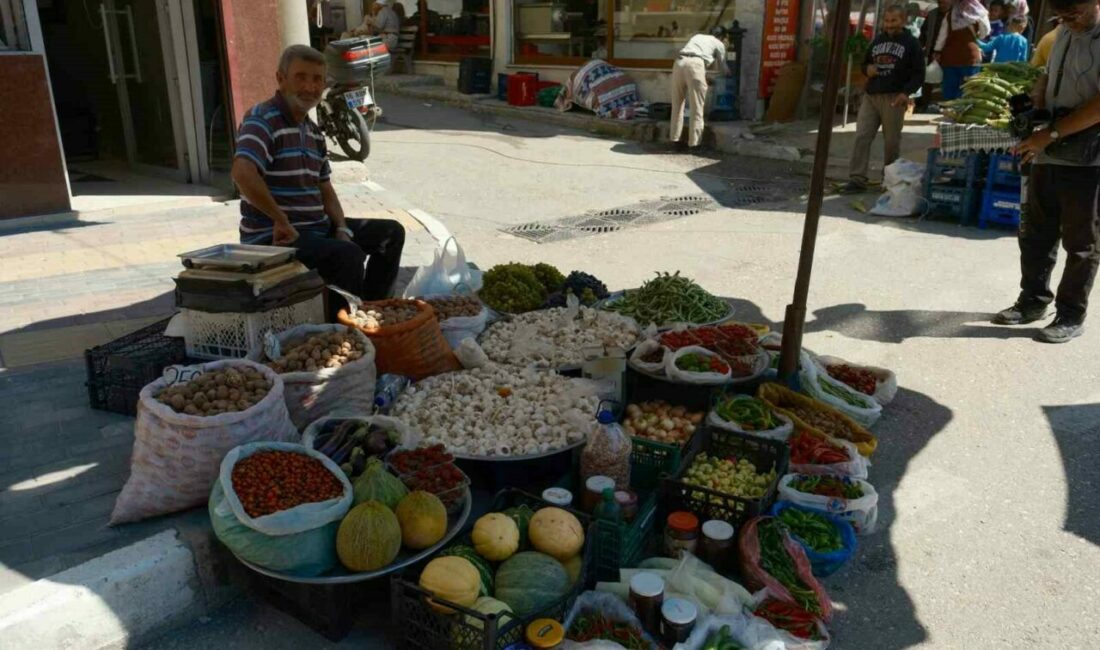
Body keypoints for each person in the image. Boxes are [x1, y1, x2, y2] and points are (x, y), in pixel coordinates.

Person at [231, 45, 406, 315]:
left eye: (317, 79)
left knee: (391, 233)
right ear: (281, 79)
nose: (310, 87)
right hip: (275, 237)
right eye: (300, 77)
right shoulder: (262, 120)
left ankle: (374, 311)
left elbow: (325, 188)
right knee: (346, 257)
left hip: (315, 229)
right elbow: (243, 173)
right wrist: (280, 219)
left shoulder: (312, 131)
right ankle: (341, 326)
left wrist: (342, 228)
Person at [997, 0, 1100, 343]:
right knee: (1036, 233)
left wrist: (1051, 134)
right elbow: (1049, 72)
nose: (1068, 21)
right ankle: (1033, 300)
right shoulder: (1063, 33)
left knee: (1081, 242)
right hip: (1049, 148)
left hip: (1088, 156)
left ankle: (1071, 314)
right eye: (1062, 16)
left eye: (1074, 13)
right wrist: (1038, 93)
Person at [840, 5, 925, 194]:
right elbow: (865, 64)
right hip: (872, 95)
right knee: (862, 136)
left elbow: (919, 73)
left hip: (894, 97)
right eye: (886, 21)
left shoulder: (911, 44)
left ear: (903, 20)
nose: (889, 25)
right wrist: (867, 69)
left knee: (891, 141)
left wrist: (906, 93)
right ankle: (857, 179)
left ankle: (889, 179)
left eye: (894, 20)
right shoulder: (877, 40)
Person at [669, 26, 732, 149]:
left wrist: (704, 77)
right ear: (722, 37)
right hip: (696, 64)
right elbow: (723, 69)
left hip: (679, 63)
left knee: (677, 104)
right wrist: (731, 75)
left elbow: (692, 64)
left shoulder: (698, 36)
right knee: (697, 106)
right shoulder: (719, 43)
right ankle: (694, 144)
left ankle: (675, 140)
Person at [933, 0, 991, 99]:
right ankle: (962, 108)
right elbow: (985, 32)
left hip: (950, 57)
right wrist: (977, 36)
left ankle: (950, 107)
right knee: (968, 89)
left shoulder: (950, 14)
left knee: (950, 88)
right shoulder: (979, 13)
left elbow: (942, 37)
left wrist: (937, 51)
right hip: (970, 56)